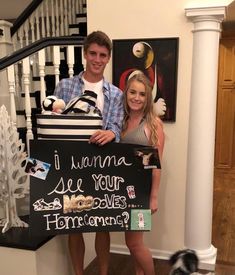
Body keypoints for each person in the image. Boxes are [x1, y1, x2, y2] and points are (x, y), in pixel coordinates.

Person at [54, 30, 124, 275]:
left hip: (101, 165)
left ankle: (103, 273)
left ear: (108, 58)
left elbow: (117, 124)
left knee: (102, 223)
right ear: (85, 54)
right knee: (75, 223)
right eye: (93, 53)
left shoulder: (116, 94)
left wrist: (112, 133)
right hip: (70, 165)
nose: (97, 59)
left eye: (102, 55)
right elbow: (53, 122)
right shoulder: (64, 86)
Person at [121, 73, 164, 275]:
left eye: (142, 94)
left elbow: (156, 165)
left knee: (134, 243)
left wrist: (153, 197)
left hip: (141, 194)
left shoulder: (153, 124)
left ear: (148, 98)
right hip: (123, 191)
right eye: (132, 92)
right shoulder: (121, 120)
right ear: (126, 93)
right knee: (133, 244)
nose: (136, 98)